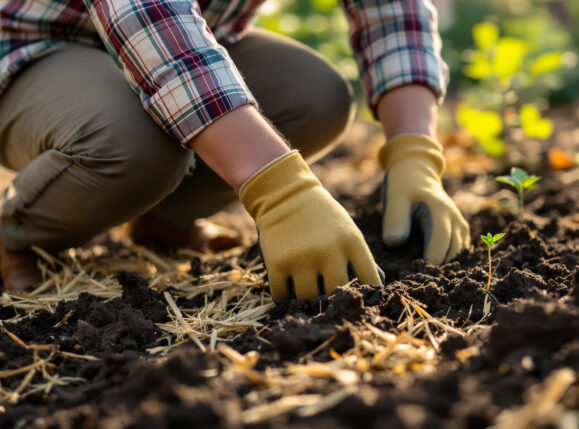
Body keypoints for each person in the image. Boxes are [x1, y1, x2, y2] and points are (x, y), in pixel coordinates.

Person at [0, 0, 470, 301]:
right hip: (36, 44)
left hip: (188, 34)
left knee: (314, 97)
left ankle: (165, 222)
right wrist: (280, 190)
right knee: (132, 143)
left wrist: (414, 152)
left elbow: (393, 11)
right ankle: (14, 234)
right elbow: (146, 17)